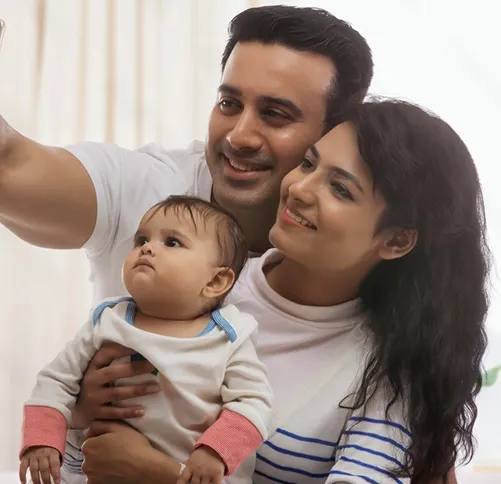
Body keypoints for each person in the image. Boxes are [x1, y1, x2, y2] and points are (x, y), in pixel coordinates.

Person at [0, 4, 457, 483]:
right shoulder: (148, 188)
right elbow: (11, 167)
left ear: (335, 134)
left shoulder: (381, 338)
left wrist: (164, 473)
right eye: (229, 104)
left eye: (275, 114)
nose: (240, 135)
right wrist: (74, 406)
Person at [218, 99, 488, 483]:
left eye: (340, 189)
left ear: (396, 241)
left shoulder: (389, 371)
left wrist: (158, 472)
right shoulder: (211, 282)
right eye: (308, 164)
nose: (299, 189)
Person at [19, 196, 273, 484]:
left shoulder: (229, 335)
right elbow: (56, 381)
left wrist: (215, 451)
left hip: (193, 474)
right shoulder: (107, 320)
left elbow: (254, 402)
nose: (147, 248)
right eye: (141, 239)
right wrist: (42, 439)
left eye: (172, 242)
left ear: (215, 281)